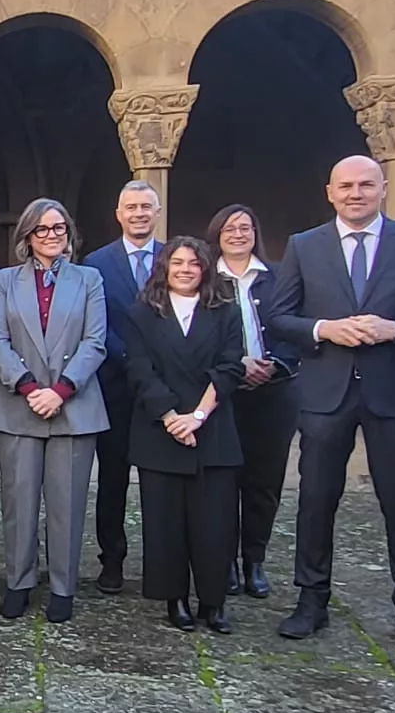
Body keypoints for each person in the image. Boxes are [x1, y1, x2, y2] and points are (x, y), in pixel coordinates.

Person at [265, 155, 395, 654]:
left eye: (365, 185)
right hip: (326, 392)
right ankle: (311, 601)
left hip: (390, 391)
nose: (355, 193)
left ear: (383, 189)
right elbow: (278, 317)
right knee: (315, 500)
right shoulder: (305, 247)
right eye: (346, 186)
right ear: (330, 192)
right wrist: (322, 328)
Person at [0, 199, 109, 623]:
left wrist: (60, 390)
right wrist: (29, 387)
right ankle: (18, 581)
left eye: (59, 229)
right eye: (42, 229)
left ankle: (63, 587)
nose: (52, 236)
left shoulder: (89, 279)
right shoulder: (4, 280)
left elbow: (95, 341)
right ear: (26, 237)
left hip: (73, 405)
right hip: (17, 404)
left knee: (67, 501)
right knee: (17, 500)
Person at [120, 238, 245, 634]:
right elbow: (139, 368)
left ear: (205, 269)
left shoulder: (226, 311)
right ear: (164, 267)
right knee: (165, 523)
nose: (186, 269)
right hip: (160, 429)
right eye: (177, 263)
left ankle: (213, 602)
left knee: (215, 522)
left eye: (194, 263)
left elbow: (230, 367)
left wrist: (198, 416)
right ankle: (175, 599)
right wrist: (173, 417)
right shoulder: (143, 312)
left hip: (212, 429)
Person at [206, 204, 300, 599]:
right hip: (224, 395)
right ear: (217, 235)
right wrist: (234, 367)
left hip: (274, 393)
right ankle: (224, 559)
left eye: (245, 227)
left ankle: (254, 560)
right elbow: (197, 336)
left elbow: (296, 327)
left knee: (264, 482)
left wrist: (274, 365)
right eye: (229, 228)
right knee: (224, 480)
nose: (238, 234)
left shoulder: (278, 277)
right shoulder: (206, 280)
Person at [84, 180, 164, 594]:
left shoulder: (176, 258)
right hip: (114, 385)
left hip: (165, 390)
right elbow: (97, 324)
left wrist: (156, 368)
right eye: (131, 207)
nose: (138, 213)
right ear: (119, 214)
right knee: (112, 479)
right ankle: (111, 560)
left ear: (157, 211)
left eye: (146, 206)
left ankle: (162, 563)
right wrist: (132, 362)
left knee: (161, 481)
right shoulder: (96, 263)